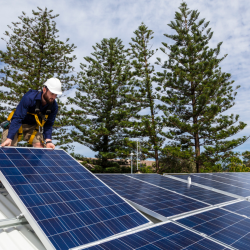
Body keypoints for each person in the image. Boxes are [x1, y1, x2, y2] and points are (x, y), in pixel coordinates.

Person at [1, 78, 62, 149]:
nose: (53, 97)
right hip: (16, 124)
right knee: (8, 148)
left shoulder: (53, 106)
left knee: (40, 147)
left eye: (56, 95)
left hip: (32, 126)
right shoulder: (29, 98)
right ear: (44, 90)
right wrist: (9, 138)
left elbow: (48, 124)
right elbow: (18, 118)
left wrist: (48, 141)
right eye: (52, 94)